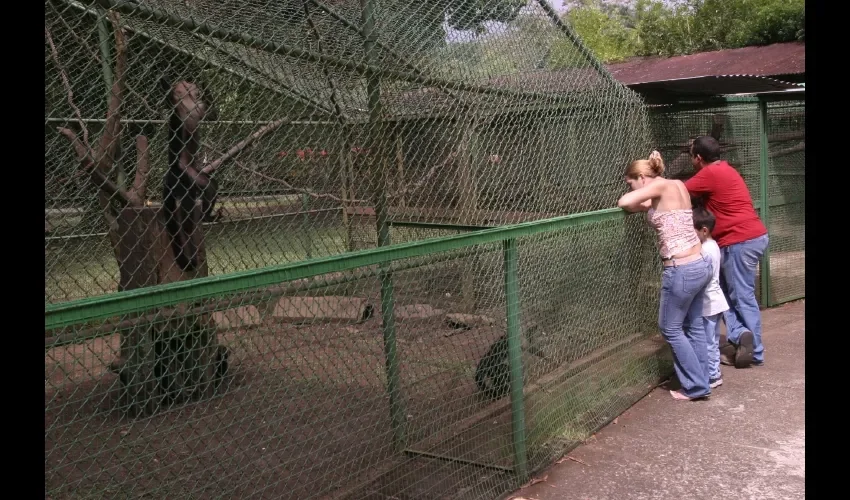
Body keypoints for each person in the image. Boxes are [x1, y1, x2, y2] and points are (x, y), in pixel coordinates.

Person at [618, 150, 713, 401]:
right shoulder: (675, 185)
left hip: (681, 268)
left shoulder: (659, 185)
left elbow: (625, 203)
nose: (629, 186)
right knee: (693, 325)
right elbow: (648, 205)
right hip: (699, 263)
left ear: (640, 177)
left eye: (630, 182)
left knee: (670, 328)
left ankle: (696, 385)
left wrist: (634, 193)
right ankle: (705, 377)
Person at [684, 136, 769, 368]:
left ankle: (756, 351)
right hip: (746, 237)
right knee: (721, 293)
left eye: (691, 155)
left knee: (741, 296)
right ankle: (741, 335)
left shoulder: (709, 173)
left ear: (698, 158)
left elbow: (679, 191)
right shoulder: (724, 169)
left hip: (740, 240)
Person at [692, 206, 729, 389]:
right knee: (712, 341)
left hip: (708, 304)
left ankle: (712, 375)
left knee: (707, 341)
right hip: (716, 301)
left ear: (704, 230)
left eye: (693, 231)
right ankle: (714, 373)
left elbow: (701, 277)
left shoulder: (705, 250)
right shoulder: (713, 246)